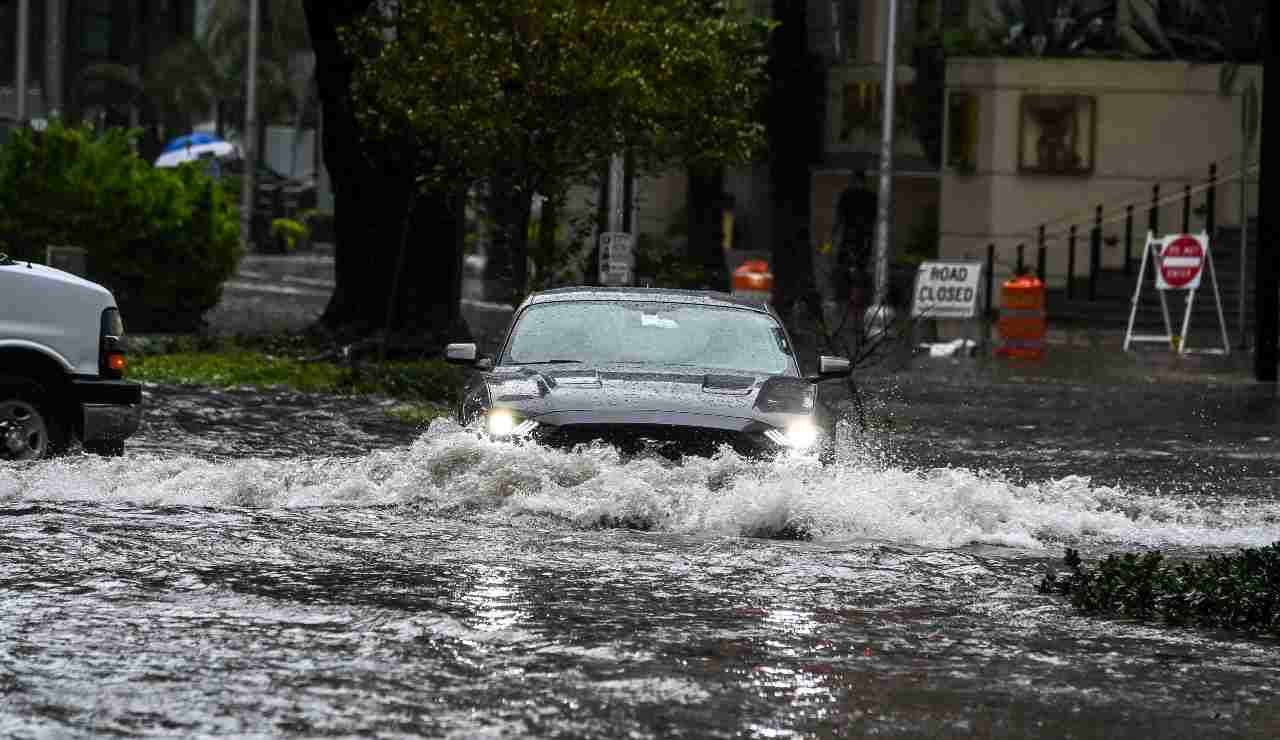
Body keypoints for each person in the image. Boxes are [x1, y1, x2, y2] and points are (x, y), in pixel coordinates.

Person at [830, 170, 877, 328]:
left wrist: (830, 241)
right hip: (863, 243)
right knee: (857, 277)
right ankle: (855, 314)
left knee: (847, 276)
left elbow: (838, 221)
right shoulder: (870, 198)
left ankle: (849, 312)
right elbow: (876, 222)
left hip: (850, 241)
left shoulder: (848, 195)